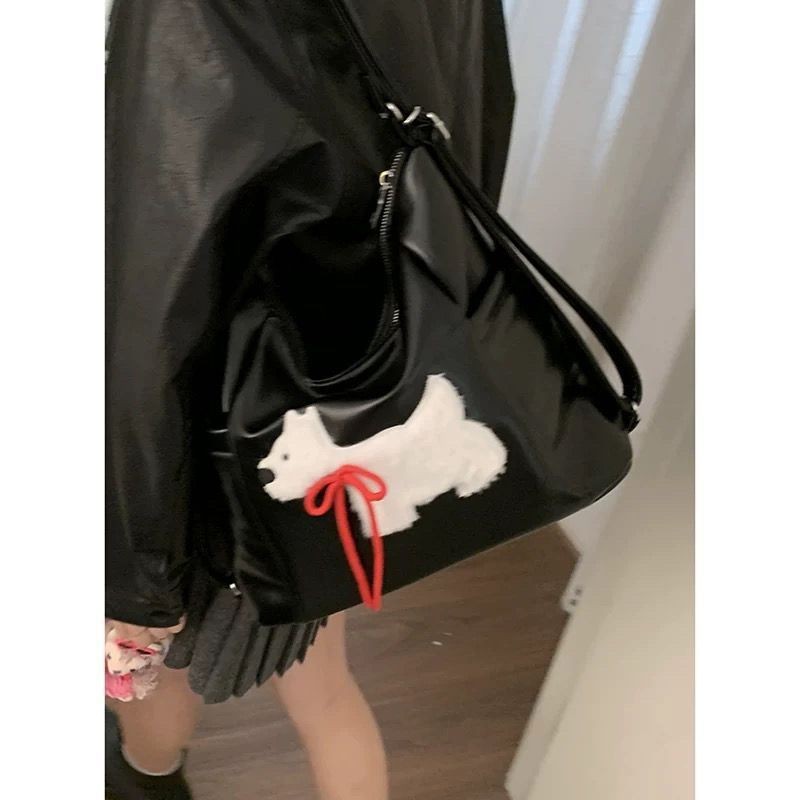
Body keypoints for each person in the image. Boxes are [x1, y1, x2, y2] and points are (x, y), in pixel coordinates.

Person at [105, 2, 515, 798]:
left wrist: (137, 573)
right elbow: (475, 139)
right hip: (359, 401)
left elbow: (157, 288)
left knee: (157, 666)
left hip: (219, 427)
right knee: (321, 689)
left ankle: (145, 776)